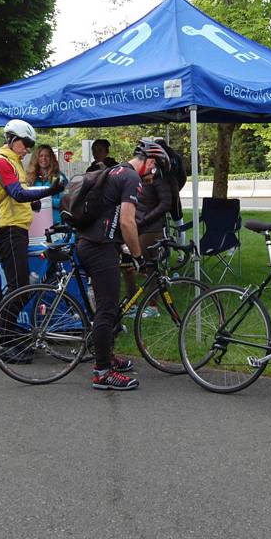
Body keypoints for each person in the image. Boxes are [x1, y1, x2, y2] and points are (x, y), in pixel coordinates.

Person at [77, 138, 170, 390]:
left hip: (95, 242)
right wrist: (138, 256)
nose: (153, 176)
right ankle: (102, 372)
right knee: (107, 310)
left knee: (111, 306)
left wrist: (122, 247)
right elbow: (128, 222)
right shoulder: (131, 178)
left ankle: (106, 356)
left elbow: (109, 215)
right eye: (155, 169)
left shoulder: (116, 170)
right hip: (99, 248)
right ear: (150, 161)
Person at [0, 121, 64, 303]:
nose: (28, 149)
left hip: (16, 227)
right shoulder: (1, 162)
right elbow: (18, 194)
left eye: (31, 145)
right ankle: (2, 322)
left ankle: (3, 320)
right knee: (20, 291)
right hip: (8, 228)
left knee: (21, 288)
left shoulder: (15, 163)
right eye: (26, 143)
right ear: (12, 139)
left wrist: (31, 203)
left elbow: (14, 196)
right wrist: (50, 191)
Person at [121, 141, 177, 317]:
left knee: (149, 268)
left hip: (151, 228)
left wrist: (144, 220)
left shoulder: (158, 177)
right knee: (127, 265)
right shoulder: (134, 177)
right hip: (134, 225)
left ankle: (153, 307)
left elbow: (166, 203)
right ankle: (132, 303)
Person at [27, 144, 69, 224]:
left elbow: (66, 202)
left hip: (55, 223)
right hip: (35, 223)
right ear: (36, 158)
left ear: (52, 158)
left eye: (47, 156)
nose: (44, 158)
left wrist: (46, 202)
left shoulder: (60, 178)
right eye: (41, 156)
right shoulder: (29, 178)